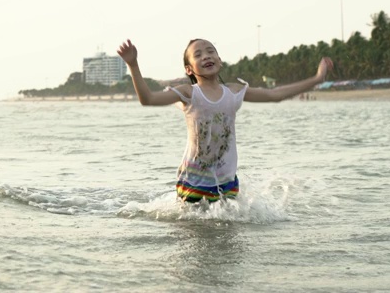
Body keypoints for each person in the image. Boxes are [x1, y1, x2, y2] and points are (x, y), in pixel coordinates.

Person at [117, 38, 333, 203]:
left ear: (219, 60)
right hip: (193, 181)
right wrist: (133, 65)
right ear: (189, 69)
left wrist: (316, 79)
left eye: (211, 51)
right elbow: (148, 99)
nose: (206, 56)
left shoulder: (234, 91)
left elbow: (275, 95)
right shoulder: (189, 93)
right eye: (198, 54)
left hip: (227, 181)